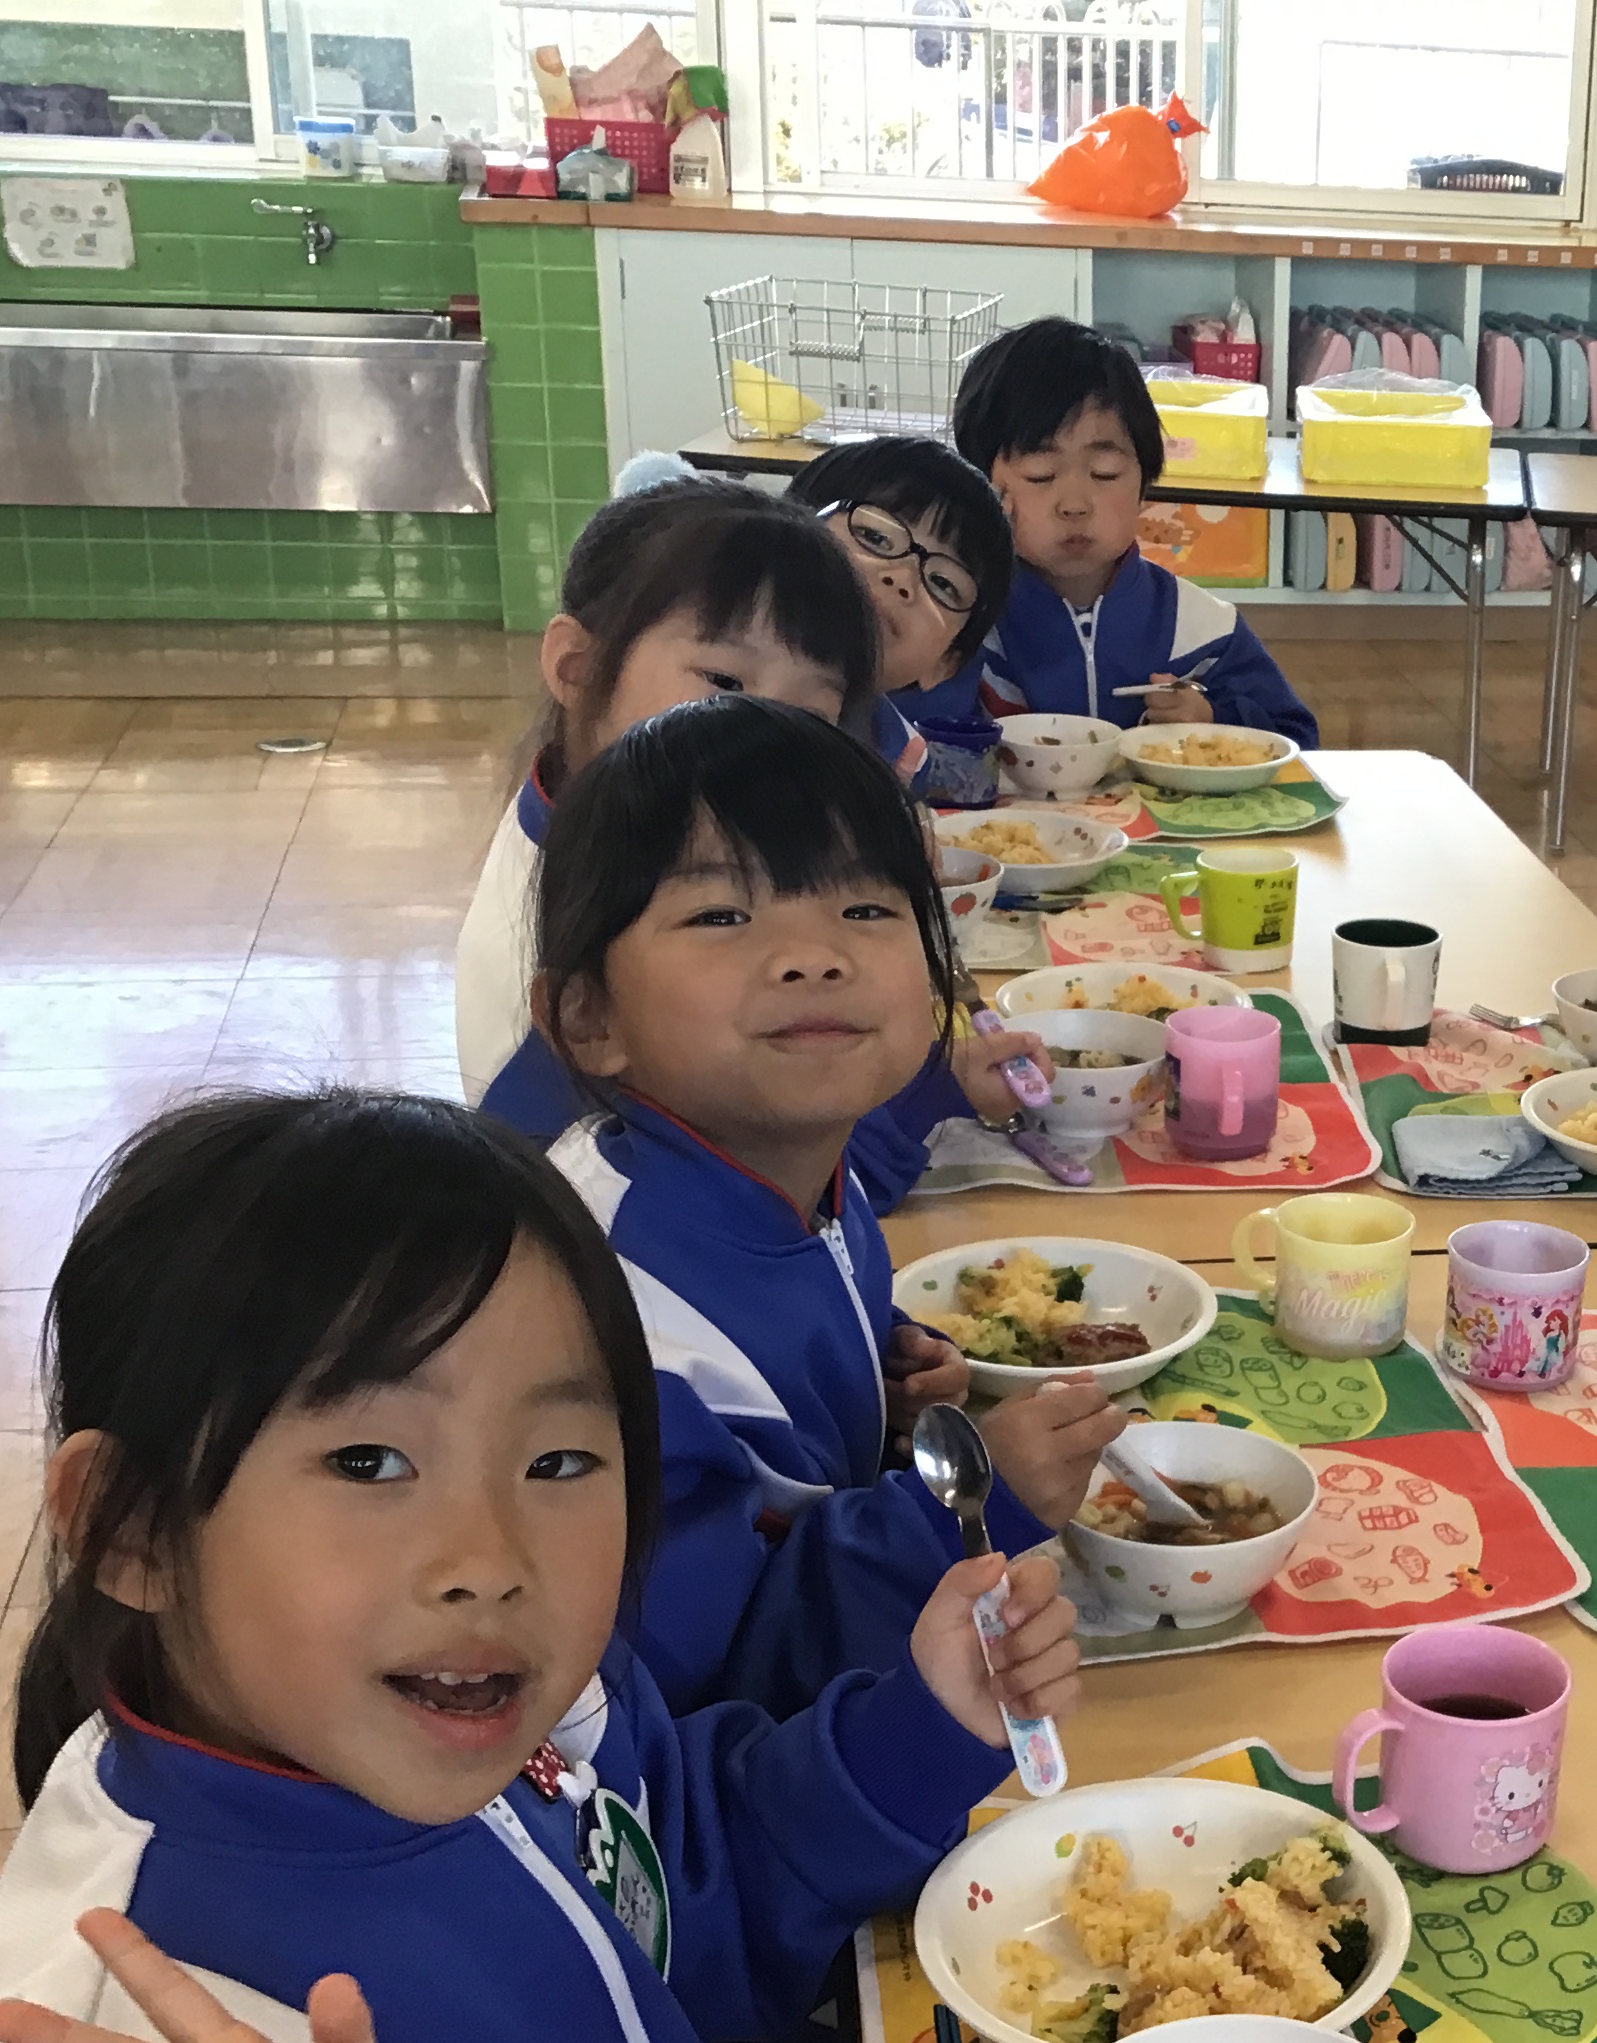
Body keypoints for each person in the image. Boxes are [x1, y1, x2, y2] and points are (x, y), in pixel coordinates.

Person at [0, 1087, 1084, 2043]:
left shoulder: (505, 1723)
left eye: (561, 1458)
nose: (491, 1559)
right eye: (369, 1460)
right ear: (130, 1529)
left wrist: (920, 1729)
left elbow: (672, 1894)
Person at [506, 692, 1122, 1715]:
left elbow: (798, 1342)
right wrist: (960, 1506)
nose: (815, 955)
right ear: (588, 1018)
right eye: (721, 915)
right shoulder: (613, 1337)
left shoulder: (791, 1166)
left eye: (866, 910)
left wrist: (884, 1381)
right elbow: (717, 1679)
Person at [452, 470, 1047, 1210]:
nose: (769, 742)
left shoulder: (646, 832)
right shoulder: (573, 932)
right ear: (579, 668)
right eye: (726, 684)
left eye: (809, 714)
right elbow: (762, 1198)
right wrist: (917, 1100)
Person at [949, 317, 1319, 743]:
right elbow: (903, 747)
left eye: (1105, 472)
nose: (1075, 505)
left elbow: (1297, 741)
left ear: (1144, 485)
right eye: (1040, 474)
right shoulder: (964, 624)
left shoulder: (1199, 629)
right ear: (984, 487)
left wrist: (1213, 722)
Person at [782, 432, 1019, 806]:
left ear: (946, 664)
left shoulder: (901, 766)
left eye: (943, 584)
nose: (903, 577)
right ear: (782, 533)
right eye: (875, 536)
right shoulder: (701, 672)